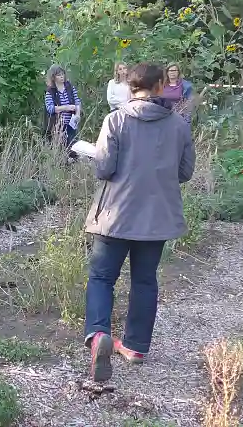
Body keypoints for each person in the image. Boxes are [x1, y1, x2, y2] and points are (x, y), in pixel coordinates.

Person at [84, 62, 195, 382]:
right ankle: (135, 347)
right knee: (145, 280)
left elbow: (104, 168)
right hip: (157, 216)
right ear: (160, 86)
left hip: (116, 215)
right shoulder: (178, 125)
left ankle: (98, 335)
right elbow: (185, 173)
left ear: (131, 88)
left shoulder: (115, 120)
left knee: (102, 277)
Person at [44, 64, 82, 159]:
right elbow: (50, 108)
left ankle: (73, 165)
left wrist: (77, 114)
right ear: (53, 77)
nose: (62, 76)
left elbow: (77, 101)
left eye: (62, 74)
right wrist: (66, 107)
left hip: (71, 122)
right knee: (61, 147)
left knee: (73, 146)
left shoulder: (70, 87)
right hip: (58, 124)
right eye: (59, 75)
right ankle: (62, 166)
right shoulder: (50, 91)